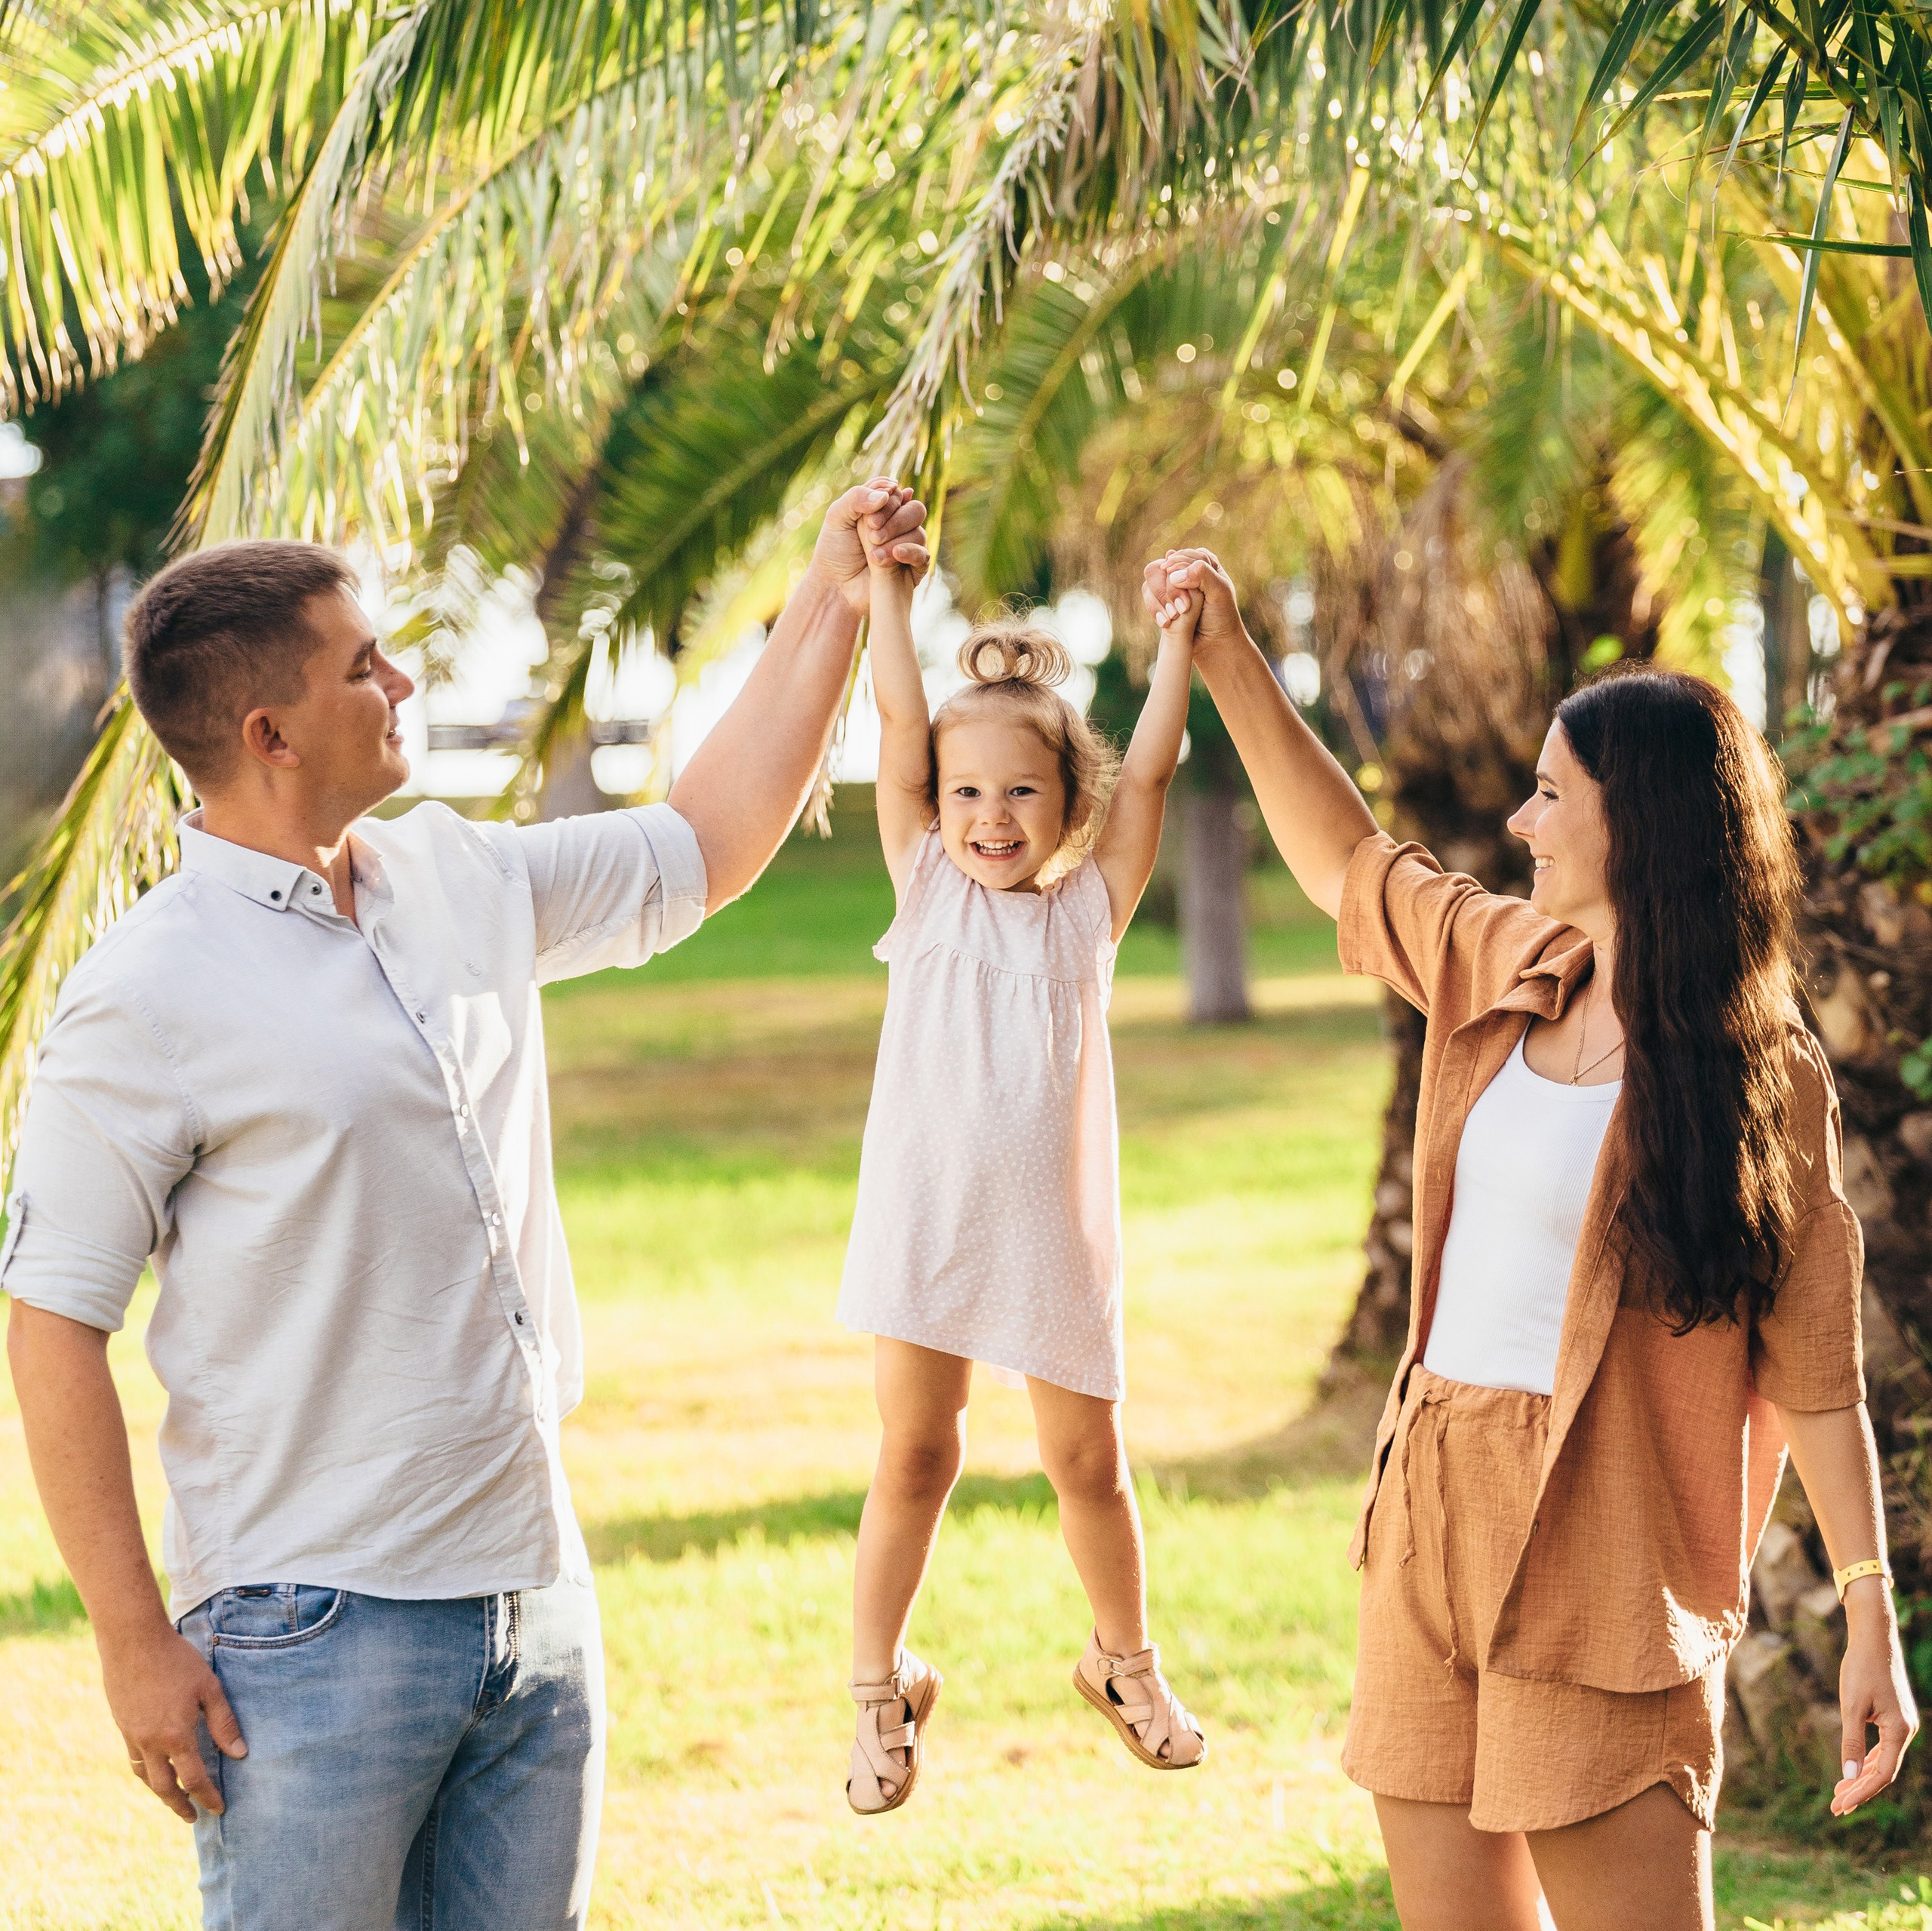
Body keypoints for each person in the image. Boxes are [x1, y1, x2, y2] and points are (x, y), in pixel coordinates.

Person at [2, 480, 928, 1931]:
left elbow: (706, 843)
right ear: (270, 735)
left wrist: (832, 596)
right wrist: (130, 1641)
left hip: (534, 1596)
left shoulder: (455, 875)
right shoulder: (146, 993)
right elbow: (53, 1321)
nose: (404, 681)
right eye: (363, 664)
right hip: (307, 1633)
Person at [1144, 546, 1917, 1931]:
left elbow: (1816, 1372)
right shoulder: (1508, 964)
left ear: (1647, 826)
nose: (1521, 819)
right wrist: (1227, 654)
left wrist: (1871, 1613)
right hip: (1431, 1497)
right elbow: (1349, 863)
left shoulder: (1761, 1075)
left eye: (1555, 794)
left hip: (1607, 1536)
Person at [832, 552, 1208, 1818]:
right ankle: (879, 1689)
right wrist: (889, 596)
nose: (991, 816)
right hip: (926, 1226)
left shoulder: (1087, 916)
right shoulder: (927, 888)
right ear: (934, 803)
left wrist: (1178, 642)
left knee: (1089, 1461)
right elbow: (898, 724)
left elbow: (1149, 774)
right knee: (916, 1454)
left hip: (1052, 1239)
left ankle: (1123, 1664)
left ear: (1068, 803)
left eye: (1022, 792)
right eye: (967, 791)